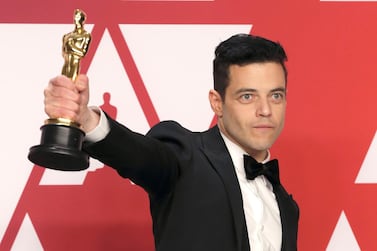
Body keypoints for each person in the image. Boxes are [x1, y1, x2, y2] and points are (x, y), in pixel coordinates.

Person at [44, 33, 299, 251]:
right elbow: (141, 156)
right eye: (247, 97)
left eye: (276, 95)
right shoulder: (184, 156)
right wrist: (86, 119)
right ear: (217, 102)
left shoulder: (286, 206)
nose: (265, 110)